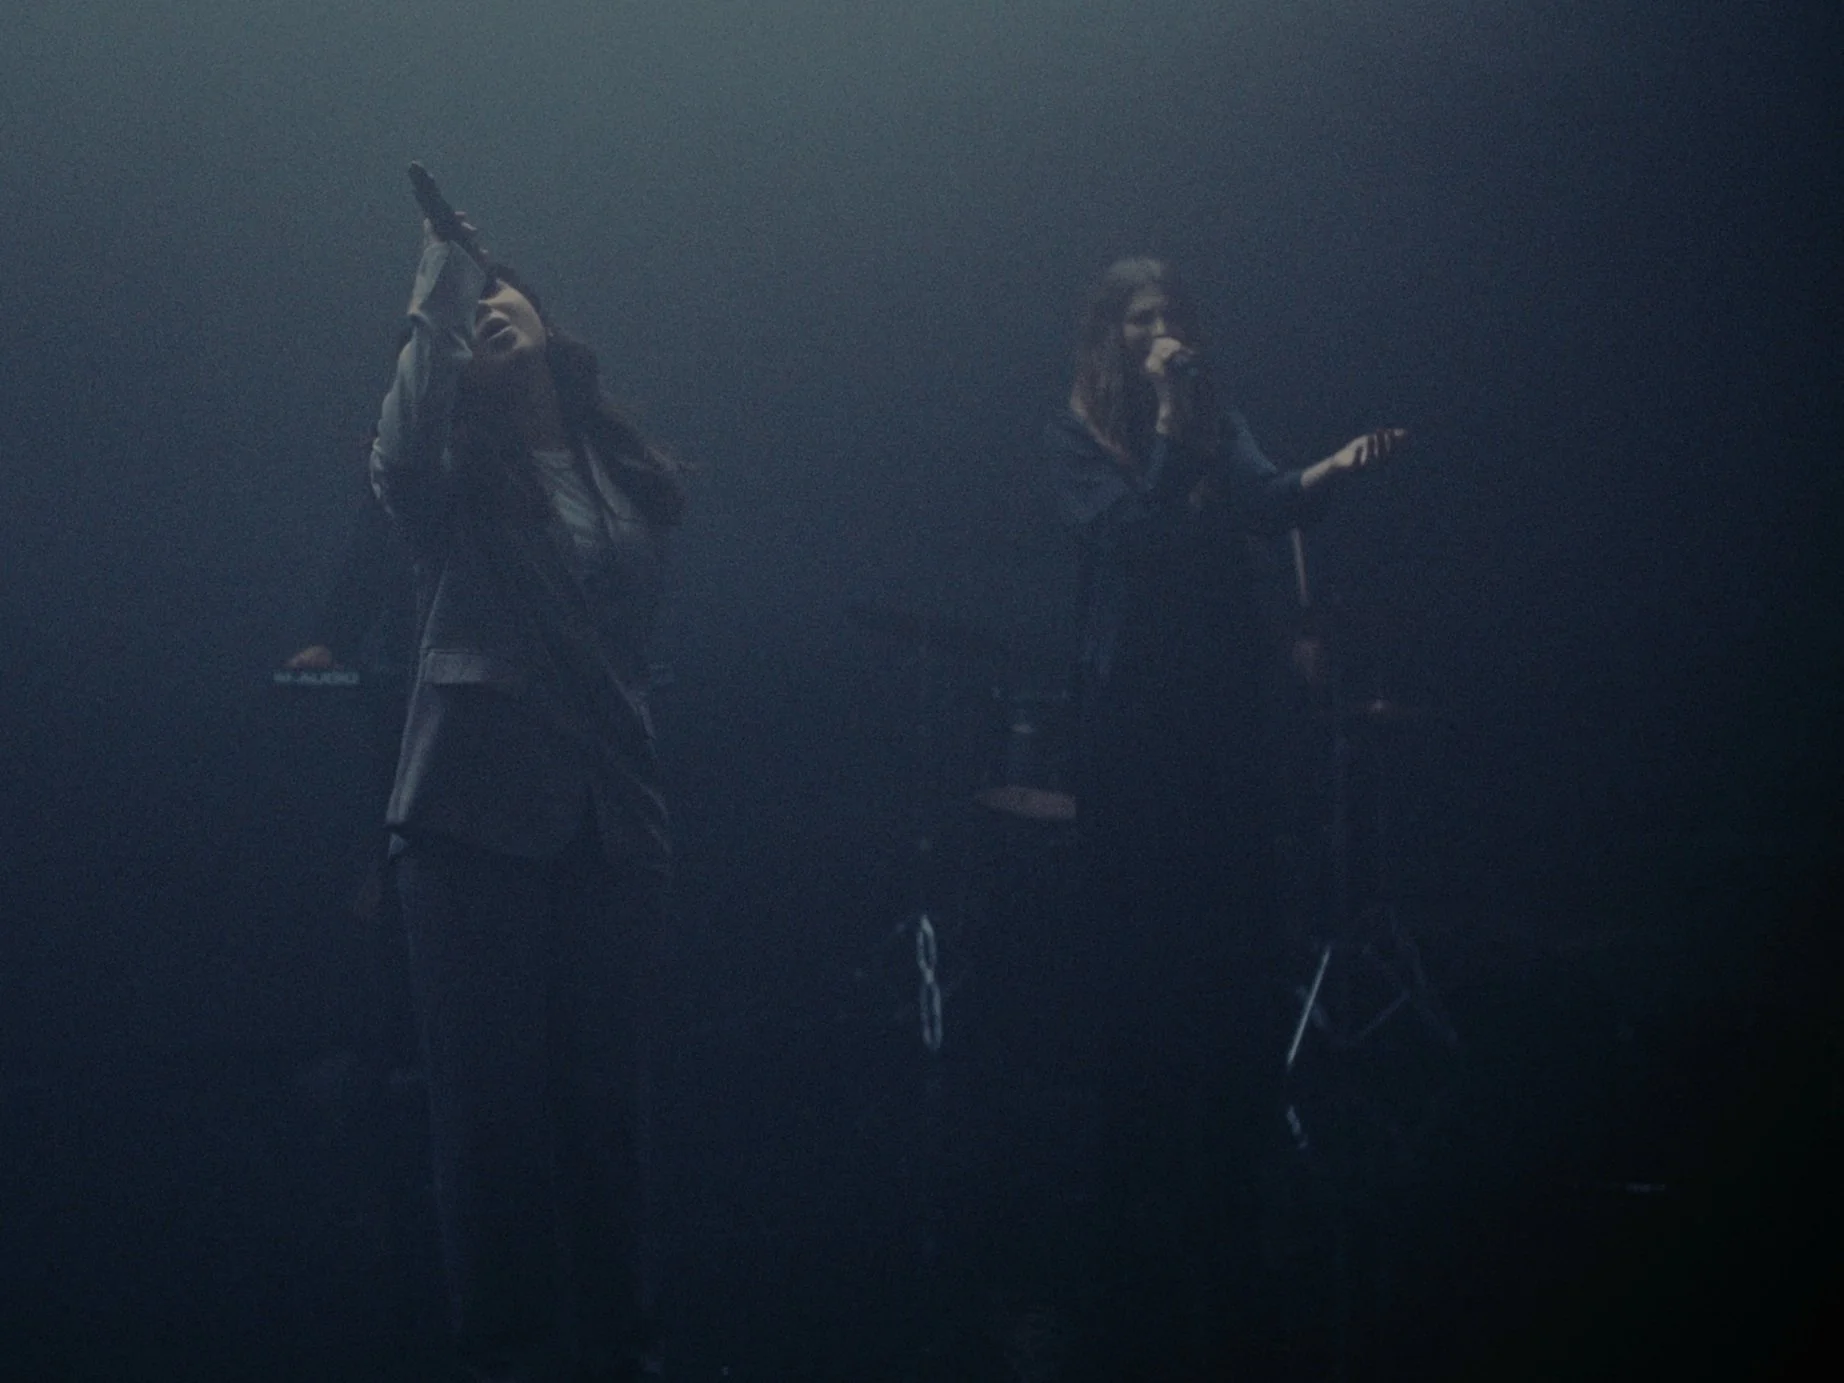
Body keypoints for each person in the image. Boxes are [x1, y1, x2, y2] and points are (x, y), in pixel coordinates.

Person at [1048, 256, 1403, 1377]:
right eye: (1140, 319)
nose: (1162, 332)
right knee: (1141, 915)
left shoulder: (1217, 423)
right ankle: (1137, 1143)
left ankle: (1228, 1128)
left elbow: (1265, 502)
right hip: (1130, 715)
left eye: (1172, 315)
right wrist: (1167, 425)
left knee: (1231, 902)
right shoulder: (1078, 438)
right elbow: (1137, 539)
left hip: (1217, 704)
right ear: (1110, 337)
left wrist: (1330, 469)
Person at [370, 195, 687, 1382]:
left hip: (609, 821)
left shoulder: (624, 475)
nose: (489, 310)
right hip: (470, 820)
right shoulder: (450, 477)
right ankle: (506, 1355)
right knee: (489, 1121)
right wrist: (440, 287)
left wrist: (642, 813)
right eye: (473, 311)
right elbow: (399, 452)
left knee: (608, 1111)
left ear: (548, 317)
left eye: (503, 290)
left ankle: (623, 1342)